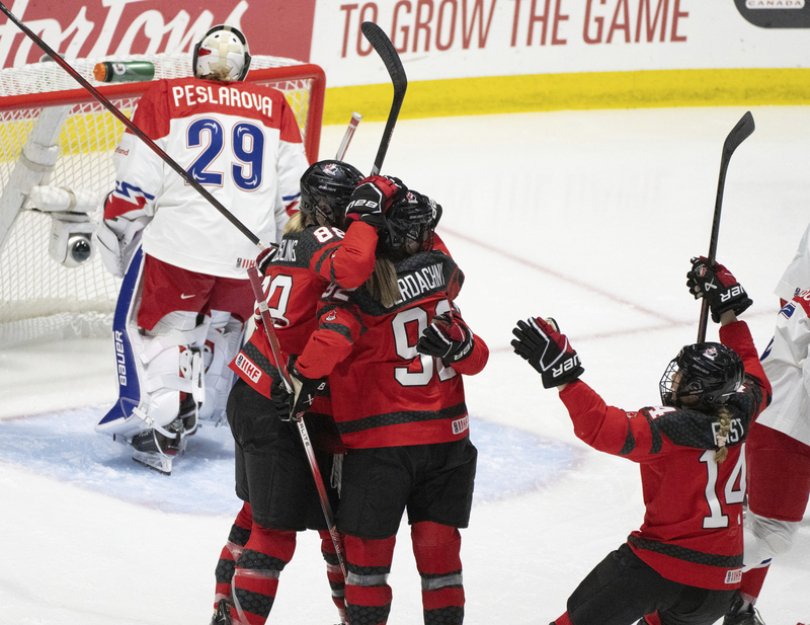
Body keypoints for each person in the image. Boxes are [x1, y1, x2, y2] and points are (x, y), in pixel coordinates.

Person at [93, 24, 309, 473]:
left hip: (180, 249)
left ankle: (164, 433)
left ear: (198, 60)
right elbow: (295, 201)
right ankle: (214, 410)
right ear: (244, 69)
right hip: (249, 256)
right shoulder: (275, 105)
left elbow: (136, 185)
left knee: (167, 330)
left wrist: (116, 228)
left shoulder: (166, 95)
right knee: (227, 330)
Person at [510, 257, 771, 625]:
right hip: (718, 586)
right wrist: (728, 314)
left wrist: (565, 375)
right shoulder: (741, 408)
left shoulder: (672, 428)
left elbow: (600, 428)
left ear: (697, 391)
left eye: (683, 377)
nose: (675, 380)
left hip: (659, 569)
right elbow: (754, 374)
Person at [277, 190, 489, 625]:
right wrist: (460, 345)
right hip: (448, 442)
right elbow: (478, 358)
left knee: (368, 569)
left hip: (382, 447)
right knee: (441, 562)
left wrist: (301, 379)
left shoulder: (361, 286)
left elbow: (330, 339)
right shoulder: (443, 276)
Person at [210, 164, 408, 625]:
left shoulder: (290, 241)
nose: (352, 211)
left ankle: (224, 605)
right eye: (347, 203)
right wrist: (366, 216)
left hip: (265, 393)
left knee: (273, 515)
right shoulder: (322, 240)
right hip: (278, 399)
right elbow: (354, 269)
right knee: (273, 531)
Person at [722, 225, 810, 625]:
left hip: (767, 397)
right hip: (793, 422)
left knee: (754, 519)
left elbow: (790, 293)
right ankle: (673, 569)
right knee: (770, 533)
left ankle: (737, 606)